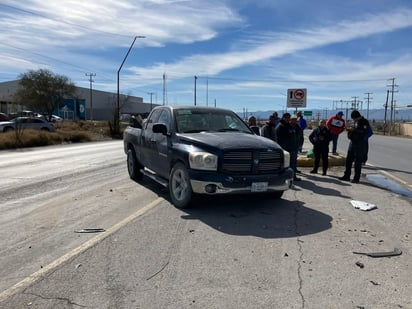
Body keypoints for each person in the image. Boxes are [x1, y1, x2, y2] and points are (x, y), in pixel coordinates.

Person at [339, 110, 371, 183]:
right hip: (352, 143)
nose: (353, 120)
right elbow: (354, 130)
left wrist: (354, 130)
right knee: (348, 160)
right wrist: (350, 130)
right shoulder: (355, 122)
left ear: (357, 117)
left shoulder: (364, 122)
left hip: (360, 144)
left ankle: (356, 178)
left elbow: (363, 132)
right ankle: (346, 176)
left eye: (354, 118)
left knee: (357, 162)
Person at [276, 113, 301, 181]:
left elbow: (295, 135)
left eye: (288, 117)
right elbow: (279, 139)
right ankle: (287, 177)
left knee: (293, 163)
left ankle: (293, 176)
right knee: (287, 164)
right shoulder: (280, 126)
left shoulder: (289, 126)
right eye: (286, 117)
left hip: (293, 147)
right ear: (283, 118)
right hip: (286, 148)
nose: (287, 119)